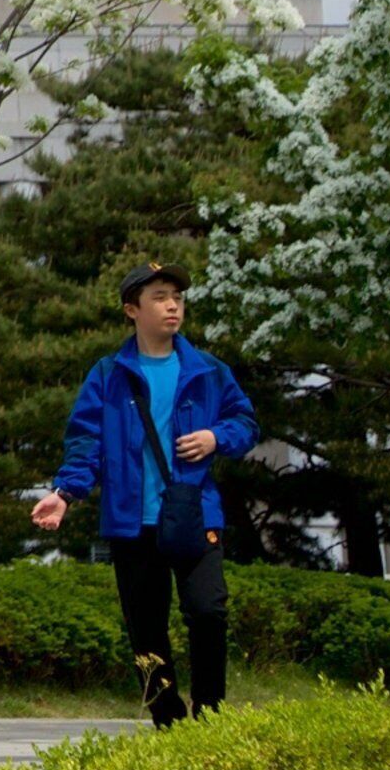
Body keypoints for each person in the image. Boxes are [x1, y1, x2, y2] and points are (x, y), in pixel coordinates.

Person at [30, 265, 261, 726]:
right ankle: (169, 723)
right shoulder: (108, 374)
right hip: (132, 522)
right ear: (132, 310)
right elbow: (86, 441)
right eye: (160, 297)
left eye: (177, 296)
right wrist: (65, 493)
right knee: (147, 632)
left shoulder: (209, 371)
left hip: (195, 513)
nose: (173, 304)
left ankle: (212, 716)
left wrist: (216, 437)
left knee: (209, 612)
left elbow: (246, 424)